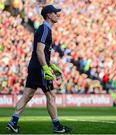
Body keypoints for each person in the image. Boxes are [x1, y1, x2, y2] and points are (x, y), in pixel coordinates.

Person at [6, 5, 72, 133]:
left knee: (27, 95)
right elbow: (39, 51)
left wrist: (52, 66)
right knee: (51, 95)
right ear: (48, 15)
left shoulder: (44, 29)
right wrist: (46, 68)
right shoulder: (45, 29)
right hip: (39, 68)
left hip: (35, 66)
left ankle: (13, 122)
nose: (57, 15)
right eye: (55, 13)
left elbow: (43, 52)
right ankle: (57, 126)